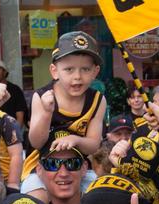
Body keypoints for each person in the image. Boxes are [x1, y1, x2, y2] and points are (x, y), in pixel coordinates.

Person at [27, 32, 107, 176]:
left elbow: (93, 145)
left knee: (95, 195)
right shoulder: (41, 97)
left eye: (85, 69)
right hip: (42, 167)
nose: (77, 76)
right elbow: (36, 142)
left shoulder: (97, 100)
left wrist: (75, 140)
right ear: (54, 71)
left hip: (78, 168)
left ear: (95, 72)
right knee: (35, 196)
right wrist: (46, 113)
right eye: (69, 69)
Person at [0, 59, 28, 126]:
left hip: (10, 129)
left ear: (5, 72)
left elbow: (20, 115)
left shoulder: (15, 90)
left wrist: (16, 132)